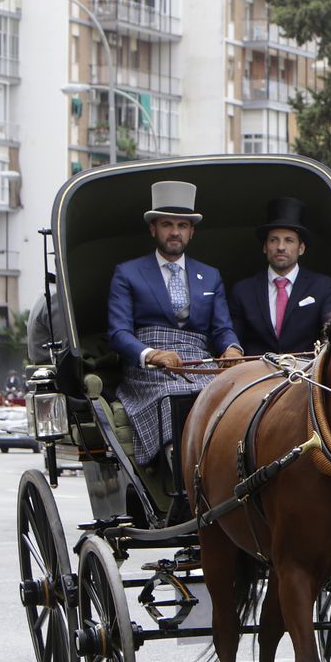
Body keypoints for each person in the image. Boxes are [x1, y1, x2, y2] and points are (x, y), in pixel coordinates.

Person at [107, 180, 242, 472]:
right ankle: (180, 483)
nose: (175, 232)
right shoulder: (128, 273)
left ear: (191, 232)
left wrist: (232, 349)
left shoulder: (211, 275)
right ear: (153, 229)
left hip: (197, 361)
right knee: (174, 397)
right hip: (149, 370)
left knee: (229, 393)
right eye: (167, 224)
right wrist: (152, 354)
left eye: (182, 225)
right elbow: (118, 334)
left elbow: (221, 329)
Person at [228, 197, 331, 356]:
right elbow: (232, 339)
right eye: (274, 240)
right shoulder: (242, 291)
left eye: (289, 240)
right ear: (265, 247)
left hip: (304, 374)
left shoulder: (323, 287)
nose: (281, 247)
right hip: (255, 376)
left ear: (301, 248)